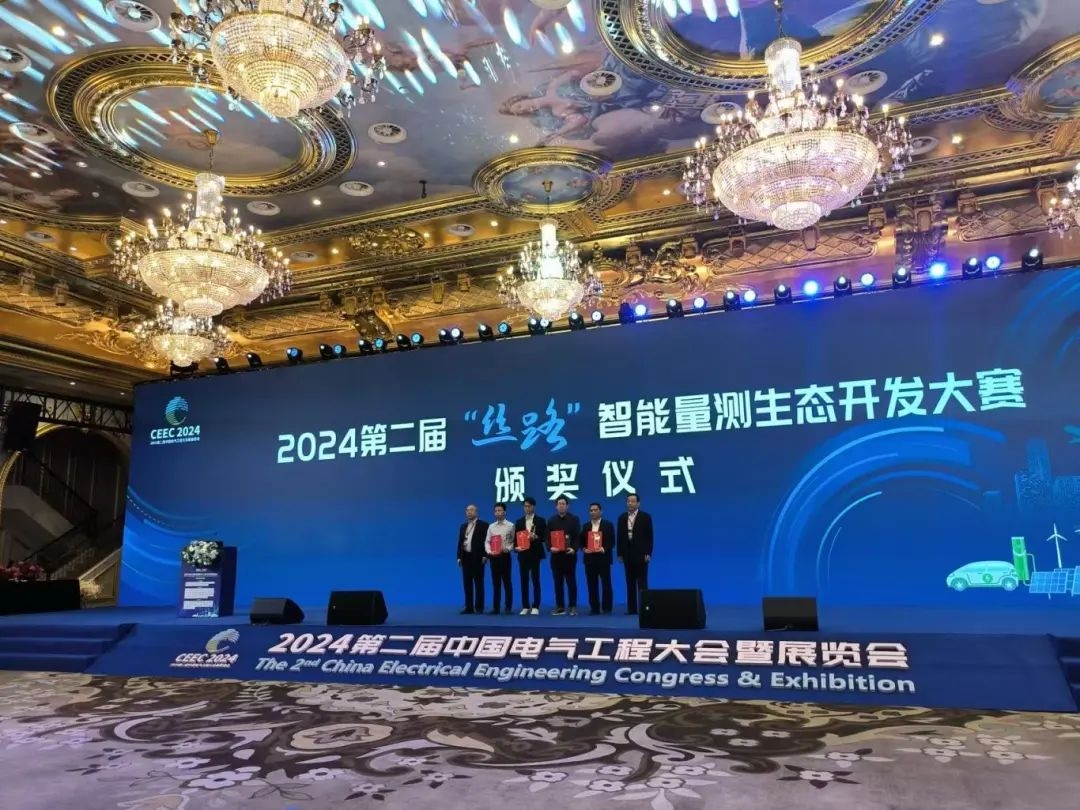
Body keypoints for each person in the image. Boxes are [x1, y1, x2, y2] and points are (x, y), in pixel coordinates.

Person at [616, 493, 654, 615]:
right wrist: (619, 553)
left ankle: (645, 608)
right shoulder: (622, 517)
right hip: (627, 554)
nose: (630, 503)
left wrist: (648, 553)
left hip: (641, 554)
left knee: (642, 583)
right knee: (630, 582)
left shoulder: (645, 517)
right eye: (628, 501)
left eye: (632, 501)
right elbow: (619, 537)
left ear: (638, 503)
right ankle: (631, 609)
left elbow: (649, 537)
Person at [546, 495, 580, 616]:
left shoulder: (574, 519)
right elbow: (547, 538)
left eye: (563, 504)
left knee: (571, 582)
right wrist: (550, 547)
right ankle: (560, 606)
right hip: (556, 557)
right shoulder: (551, 520)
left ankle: (573, 606)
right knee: (558, 582)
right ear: (556, 506)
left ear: (567, 506)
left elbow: (577, 536)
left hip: (569, 555)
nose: (561, 506)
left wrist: (574, 549)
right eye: (559, 504)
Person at [581, 501, 615, 615]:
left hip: (603, 558)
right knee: (592, 584)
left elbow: (612, 541)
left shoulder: (608, 525)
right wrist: (584, 549)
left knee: (606, 584)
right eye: (591, 510)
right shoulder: (586, 526)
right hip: (590, 559)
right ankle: (594, 608)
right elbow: (581, 541)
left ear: (601, 511)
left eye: (595, 510)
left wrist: (603, 548)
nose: (593, 512)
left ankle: (607, 607)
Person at [514, 496, 546, 615]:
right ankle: (525, 606)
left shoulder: (540, 520)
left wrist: (536, 537)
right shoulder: (519, 521)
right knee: (524, 580)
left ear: (534, 507)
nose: (527, 508)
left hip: (535, 554)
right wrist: (516, 548)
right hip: (523, 554)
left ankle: (536, 605)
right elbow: (515, 539)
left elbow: (544, 537)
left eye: (529, 506)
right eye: (525, 506)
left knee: (535, 579)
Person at [456, 504, 488, 614]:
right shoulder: (463, 526)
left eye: (471, 510)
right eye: (467, 510)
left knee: (479, 583)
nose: (469, 512)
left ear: (476, 512)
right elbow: (460, 542)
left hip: (478, 558)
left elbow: (487, 541)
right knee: (467, 583)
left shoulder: (483, 525)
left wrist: (485, 555)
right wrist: (459, 557)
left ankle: (479, 607)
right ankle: (469, 607)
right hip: (466, 557)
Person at [485, 502, 515, 615]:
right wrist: (489, 552)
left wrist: (509, 548)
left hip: (505, 556)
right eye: (496, 511)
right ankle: (496, 608)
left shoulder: (510, 525)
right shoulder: (491, 527)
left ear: (504, 512)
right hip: (494, 557)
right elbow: (487, 541)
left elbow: (513, 541)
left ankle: (508, 607)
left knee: (507, 582)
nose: (497, 513)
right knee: (496, 583)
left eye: (500, 510)